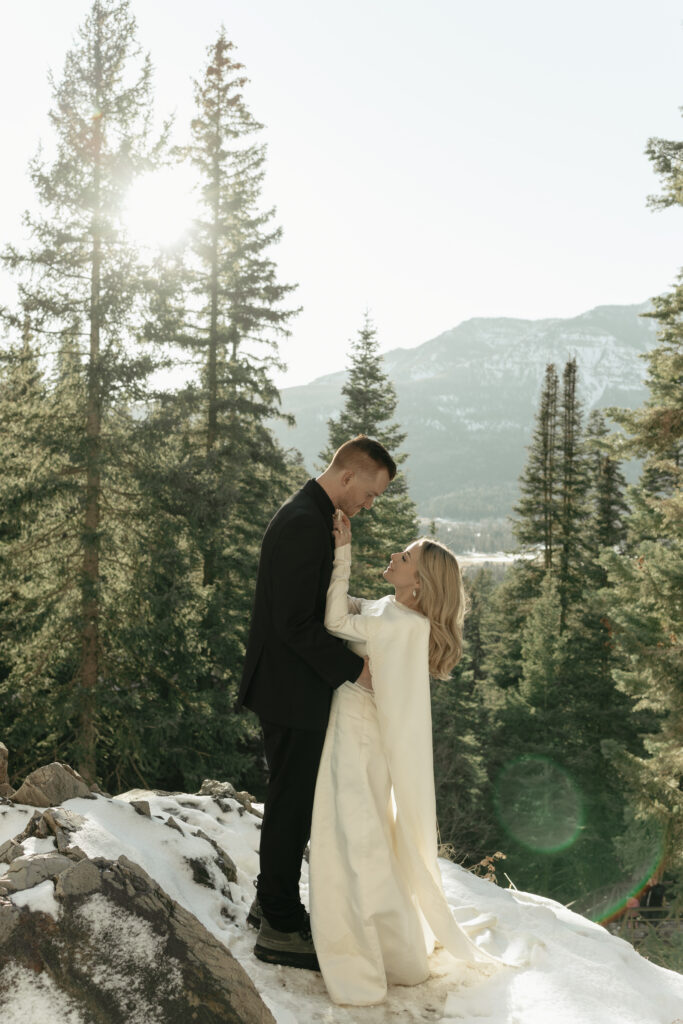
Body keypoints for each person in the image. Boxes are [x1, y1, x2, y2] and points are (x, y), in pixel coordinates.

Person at [309, 516, 531, 1005]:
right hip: (363, 737)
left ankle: (361, 958)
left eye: (405, 557)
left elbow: (334, 621)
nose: (395, 556)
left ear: (419, 583)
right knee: (363, 840)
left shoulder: (397, 622)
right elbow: (353, 610)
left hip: (356, 739)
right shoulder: (401, 617)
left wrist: (342, 552)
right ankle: (394, 947)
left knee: (349, 843)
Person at [238, 435, 396, 970]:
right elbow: (294, 623)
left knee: (290, 801)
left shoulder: (313, 514)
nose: (369, 505)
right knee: (291, 805)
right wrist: (359, 670)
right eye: (370, 494)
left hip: (291, 684)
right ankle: (280, 926)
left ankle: (271, 903)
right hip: (289, 689)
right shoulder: (305, 522)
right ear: (348, 476)